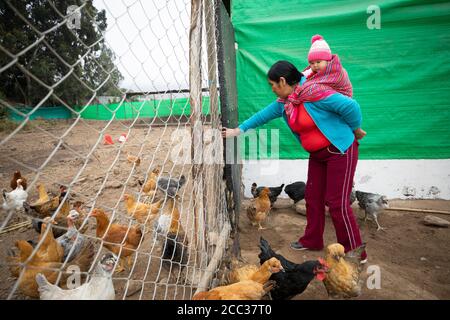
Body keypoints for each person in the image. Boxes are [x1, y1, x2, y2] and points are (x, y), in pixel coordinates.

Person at [222, 37, 367, 262]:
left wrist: (356, 129)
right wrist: (237, 131)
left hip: (341, 150)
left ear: (282, 81)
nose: (272, 89)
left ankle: (355, 251)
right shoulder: (287, 101)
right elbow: (262, 116)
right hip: (319, 155)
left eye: (272, 85)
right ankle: (313, 240)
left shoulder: (315, 92)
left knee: (337, 203)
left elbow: (351, 106)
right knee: (313, 197)